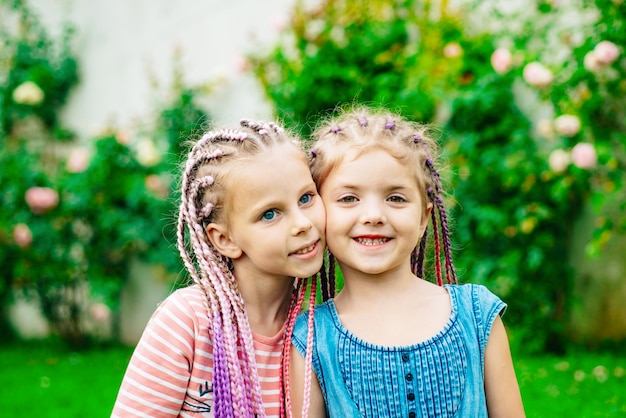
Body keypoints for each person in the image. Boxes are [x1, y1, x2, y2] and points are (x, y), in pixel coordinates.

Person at [288, 106, 525, 417]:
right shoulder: (311, 341)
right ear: (320, 214)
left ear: (424, 217)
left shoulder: (477, 316)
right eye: (348, 198)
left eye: (396, 198)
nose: (373, 215)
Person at [112, 119, 325, 418]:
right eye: (270, 214)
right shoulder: (189, 321)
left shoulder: (318, 330)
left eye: (306, 198)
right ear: (224, 239)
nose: (303, 223)